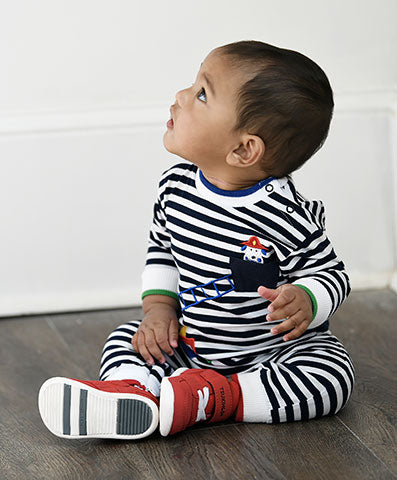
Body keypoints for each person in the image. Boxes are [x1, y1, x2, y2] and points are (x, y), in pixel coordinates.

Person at [38, 40, 355, 440]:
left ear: (243, 149)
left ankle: (225, 397)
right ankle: (133, 394)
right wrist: (157, 310)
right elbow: (162, 253)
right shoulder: (175, 188)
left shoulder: (286, 214)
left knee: (331, 373)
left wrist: (308, 298)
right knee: (127, 337)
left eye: (202, 94)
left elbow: (332, 273)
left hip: (271, 355)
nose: (181, 95)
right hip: (191, 343)